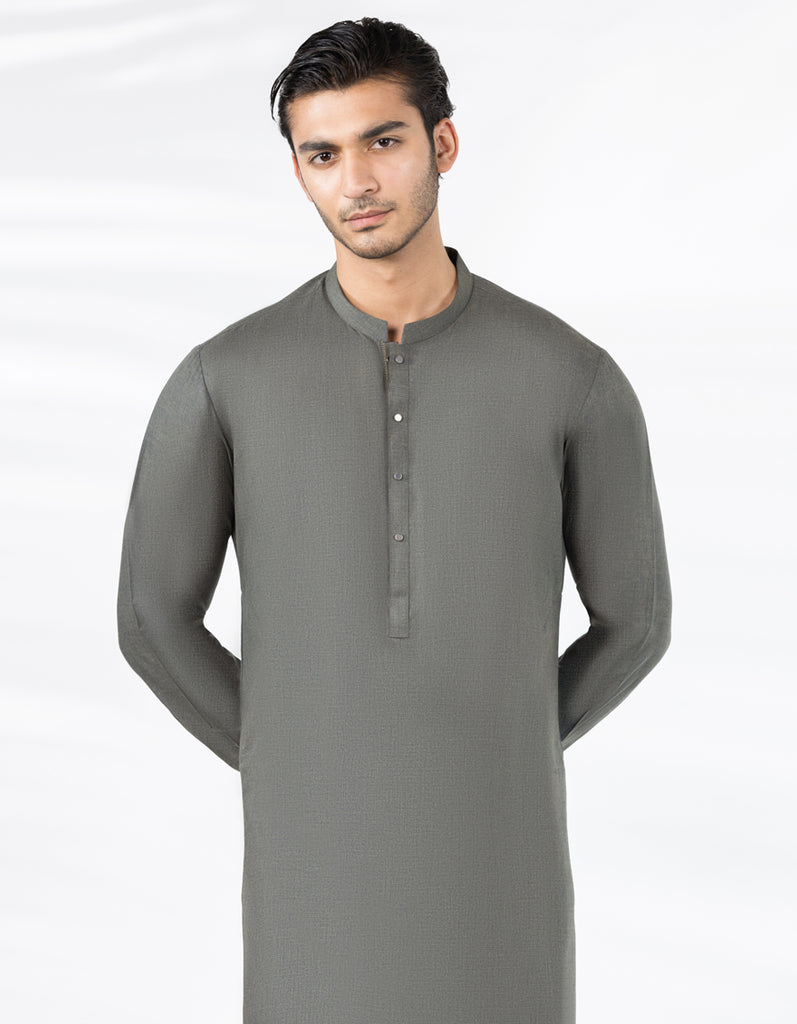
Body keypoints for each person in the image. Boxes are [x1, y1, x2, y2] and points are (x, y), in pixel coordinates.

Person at [116, 16, 671, 1024]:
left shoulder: (569, 376)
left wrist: (500, 743)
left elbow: (635, 621)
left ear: (441, 144)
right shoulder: (224, 378)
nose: (357, 181)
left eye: (382, 140)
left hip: (501, 873)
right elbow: (152, 618)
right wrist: (291, 752)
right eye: (321, 154)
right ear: (297, 171)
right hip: (308, 884)